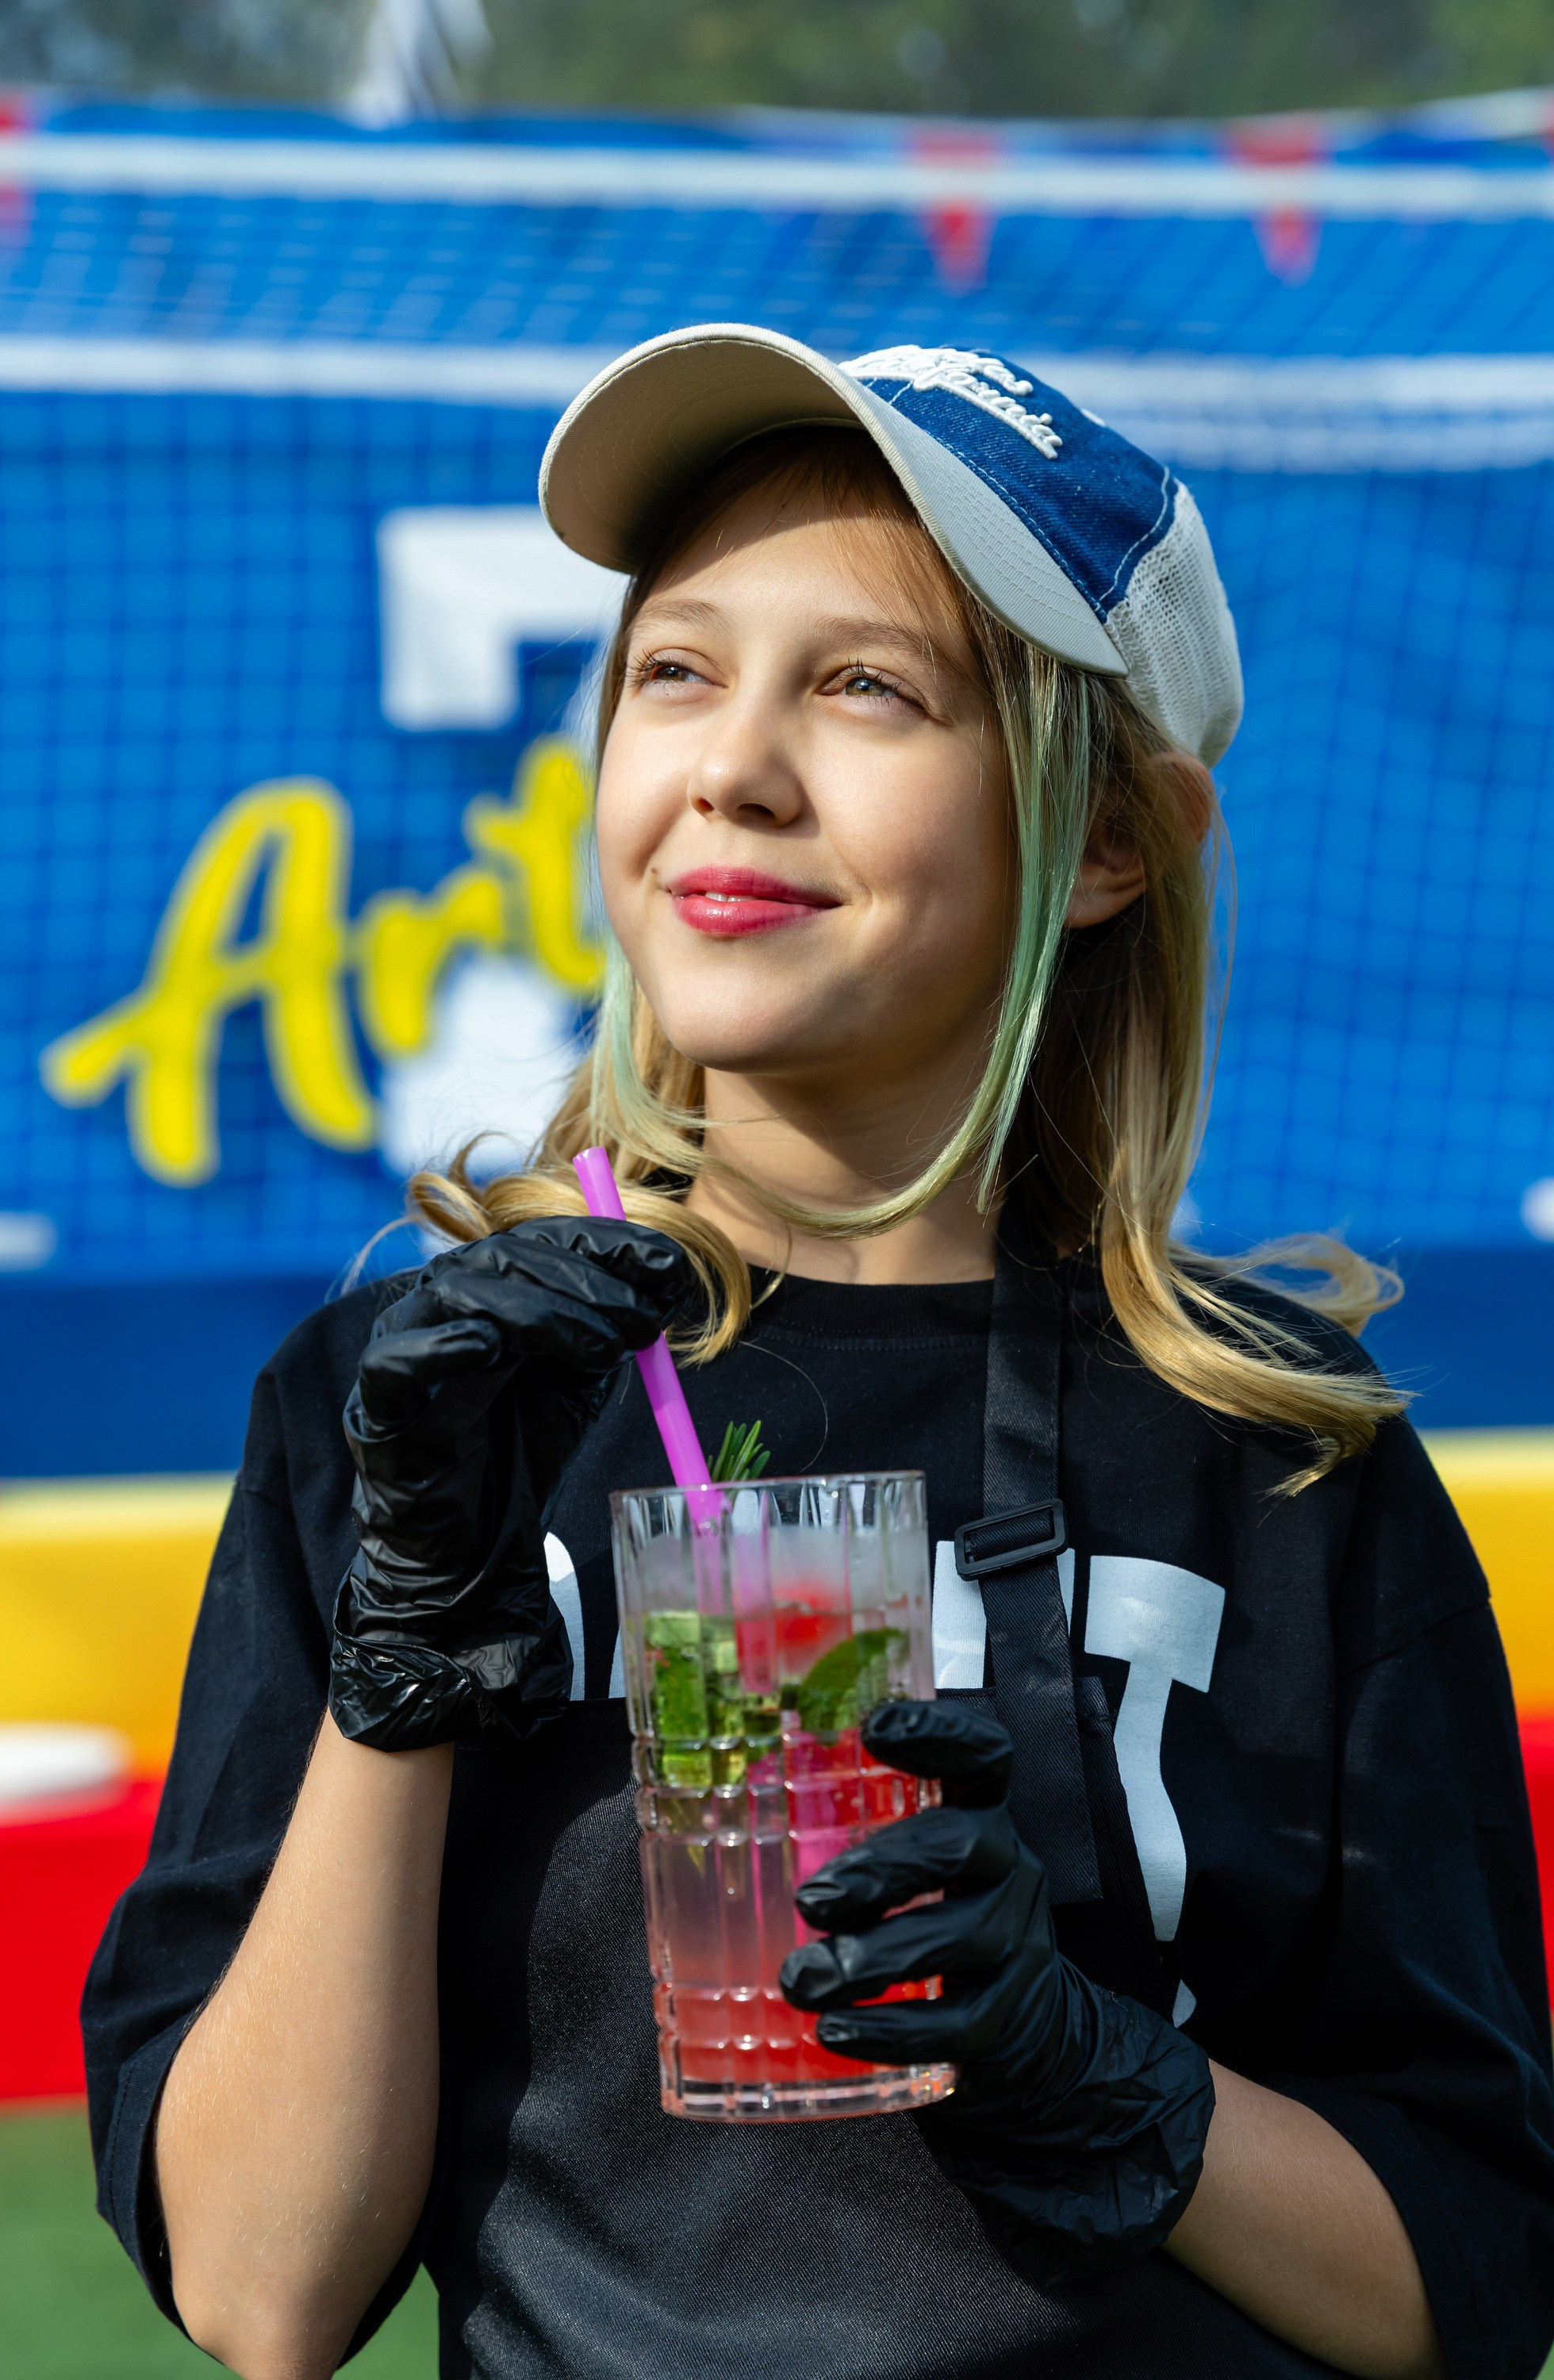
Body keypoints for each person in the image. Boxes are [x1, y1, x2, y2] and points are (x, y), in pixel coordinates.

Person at [83, 326, 1554, 2380]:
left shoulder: (1283, 1458)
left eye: (869, 685)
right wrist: (401, 1650)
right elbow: (262, 2293)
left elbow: (1464, 2297)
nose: (735, 765)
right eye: (676, 670)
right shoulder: (411, 1404)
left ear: (1113, 838)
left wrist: (1120, 2087)